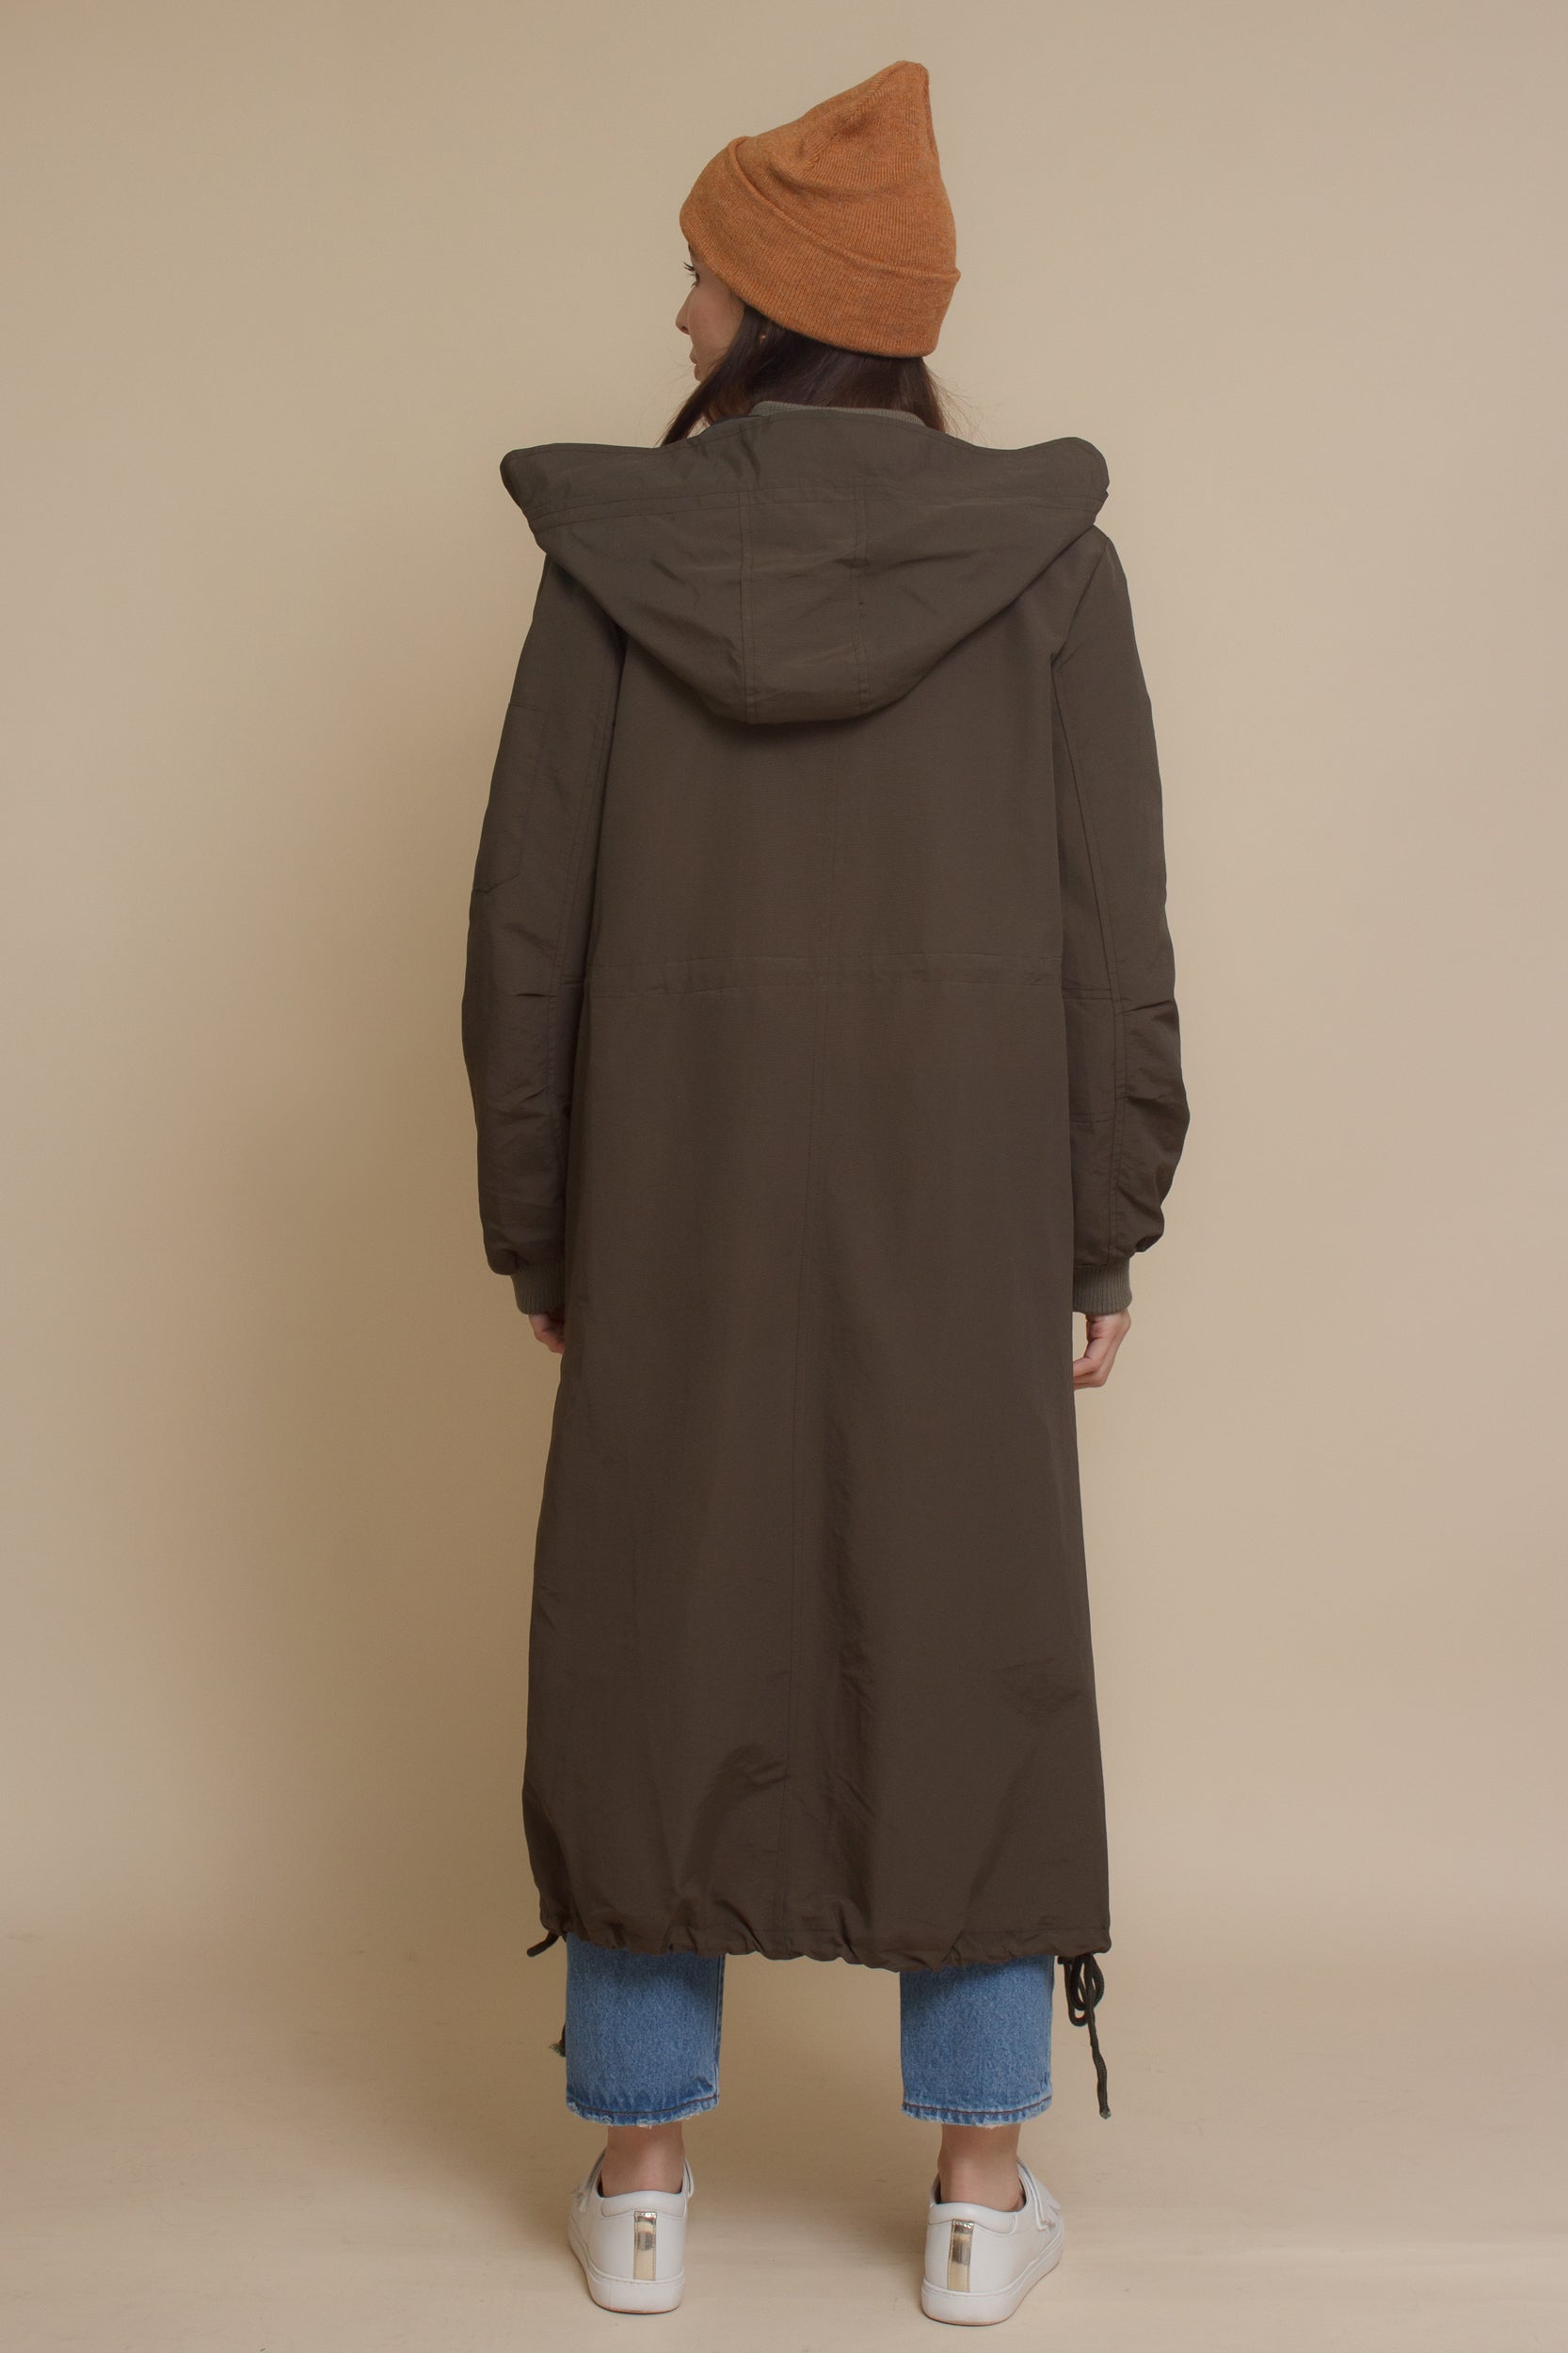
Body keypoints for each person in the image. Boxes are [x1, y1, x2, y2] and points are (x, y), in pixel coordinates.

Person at [461, 57, 1190, 2327]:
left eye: (697, 276)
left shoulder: (608, 577)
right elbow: (1112, 931)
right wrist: (1097, 1213)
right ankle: (976, 2189)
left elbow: (523, 940)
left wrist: (544, 1218)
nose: (674, 315)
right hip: (958, 1206)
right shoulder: (1049, 577)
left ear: (774, 305)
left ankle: (638, 2175)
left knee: (648, 1623)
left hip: (674, 1198)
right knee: (967, 1628)